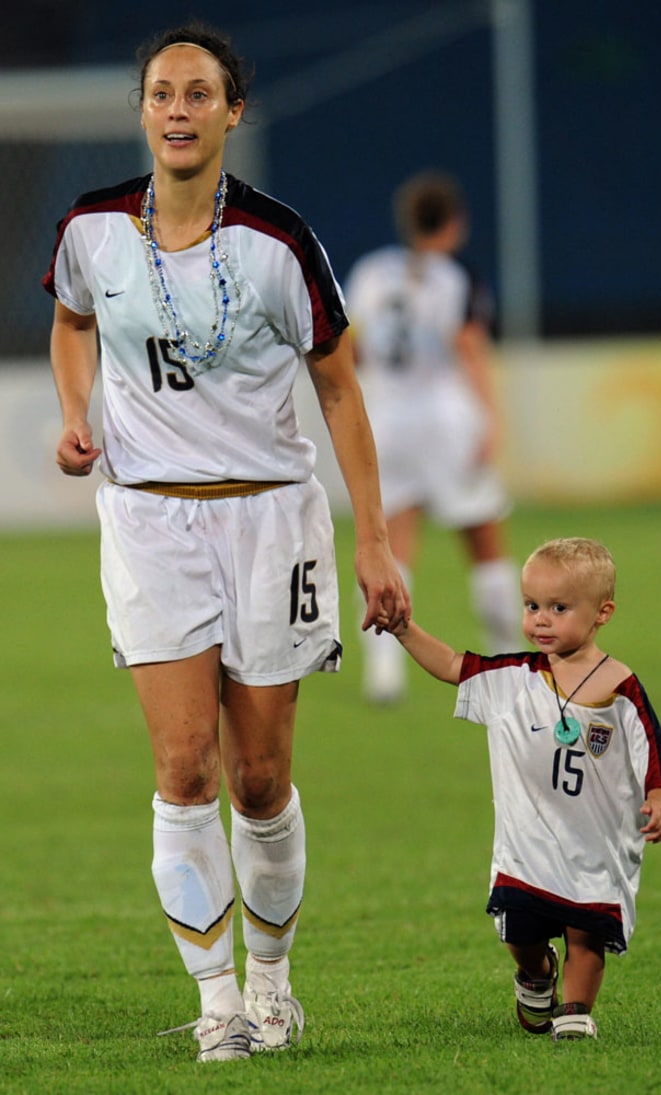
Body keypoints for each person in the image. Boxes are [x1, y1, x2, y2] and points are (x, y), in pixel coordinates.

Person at [43, 22, 409, 1064]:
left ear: (232, 111)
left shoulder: (280, 242)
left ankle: (273, 983)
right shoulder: (91, 228)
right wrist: (77, 412)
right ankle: (217, 1005)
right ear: (143, 108)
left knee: (258, 777)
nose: (177, 110)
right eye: (162, 92)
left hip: (270, 518)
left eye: (199, 94)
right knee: (183, 763)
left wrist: (373, 541)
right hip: (149, 517)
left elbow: (337, 386)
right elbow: (71, 321)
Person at [377, 537, 661, 1041]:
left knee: (587, 934)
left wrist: (656, 798)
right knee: (520, 930)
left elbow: (651, 749)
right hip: (529, 849)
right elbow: (452, 665)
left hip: (596, 847)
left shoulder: (620, 686)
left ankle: (574, 1010)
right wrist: (402, 629)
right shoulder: (514, 678)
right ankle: (537, 971)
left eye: (558, 608)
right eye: (532, 606)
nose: (540, 619)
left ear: (601, 613)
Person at [343, 171, 521, 703]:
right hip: (445, 419)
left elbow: (350, 349)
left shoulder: (372, 272)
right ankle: (509, 659)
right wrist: (490, 417)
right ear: (455, 224)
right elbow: (469, 347)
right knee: (485, 541)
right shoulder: (456, 275)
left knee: (392, 546)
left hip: (387, 419)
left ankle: (384, 672)